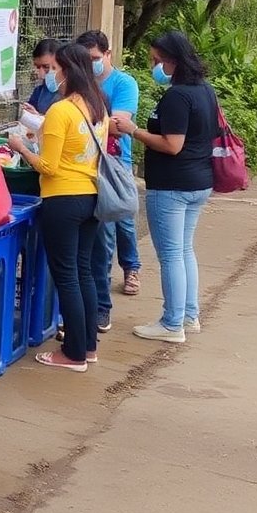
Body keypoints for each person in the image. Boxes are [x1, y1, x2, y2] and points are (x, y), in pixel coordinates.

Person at [7, 43, 108, 372]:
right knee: (83, 273)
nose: (51, 74)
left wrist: (21, 146)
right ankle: (88, 347)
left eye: (55, 68)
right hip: (92, 197)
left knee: (67, 277)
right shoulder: (98, 107)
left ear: (67, 70)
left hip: (62, 199)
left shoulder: (62, 111)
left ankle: (74, 353)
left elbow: (48, 166)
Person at [112, 31, 218, 344]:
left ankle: (172, 323)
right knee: (183, 249)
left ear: (172, 60)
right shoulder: (204, 90)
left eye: (157, 60)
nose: (154, 66)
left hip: (173, 185)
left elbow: (172, 145)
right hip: (197, 181)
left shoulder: (178, 96)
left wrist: (134, 131)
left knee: (171, 254)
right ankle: (188, 314)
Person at [77, 30, 143, 332]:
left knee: (121, 223)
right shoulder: (78, 84)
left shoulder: (123, 83)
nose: (91, 65)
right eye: (85, 59)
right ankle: (98, 300)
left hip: (114, 165)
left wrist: (90, 121)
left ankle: (130, 269)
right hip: (86, 166)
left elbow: (118, 126)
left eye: (95, 59)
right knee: (101, 233)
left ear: (108, 54)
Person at [25, 38, 63, 115]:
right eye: (38, 67)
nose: (41, 73)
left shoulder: (74, 95)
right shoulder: (39, 92)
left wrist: (39, 117)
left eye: (46, 67)